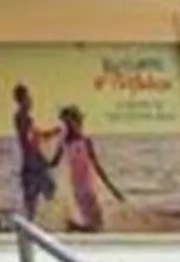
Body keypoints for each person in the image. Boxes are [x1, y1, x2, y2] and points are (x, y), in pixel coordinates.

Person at [58, 106, 123, 232]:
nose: (68, 127)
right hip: (81, 186)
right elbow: (54, 161)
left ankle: (73, 226)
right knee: (97, 224)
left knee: (96, 222)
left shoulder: (84, 140)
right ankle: (73, 227)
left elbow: (96, 165)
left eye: (70, 123)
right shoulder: (66, 142)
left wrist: (111, 188)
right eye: (67, 123)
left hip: (86, 184)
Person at [12, 84, 59, 224]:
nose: (30, 100)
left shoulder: (26, 119)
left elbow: (36, 135)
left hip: (33, 164)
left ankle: (37, 224)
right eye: (27, 97)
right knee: (37, 197)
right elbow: (28, 141)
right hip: (32, 165)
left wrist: (52, 132)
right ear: (21, 100)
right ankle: (30, 226)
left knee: (42, 194)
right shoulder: (21, 117)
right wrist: (40, 158)